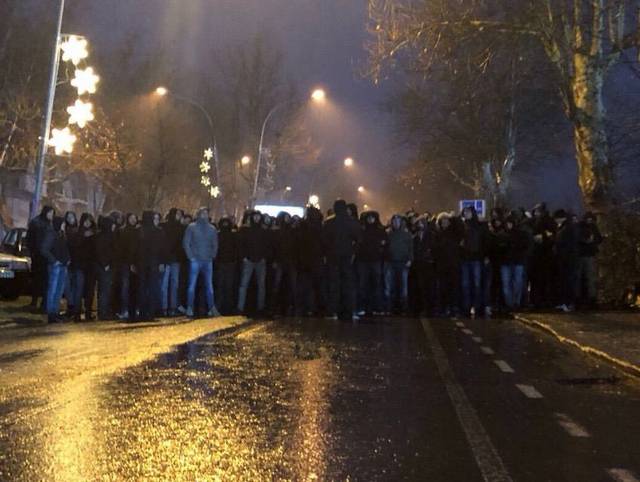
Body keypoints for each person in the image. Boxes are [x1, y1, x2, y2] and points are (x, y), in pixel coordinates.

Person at [322, 199, 361, 321]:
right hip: (347, 256)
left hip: (333, 256)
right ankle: (349, 310)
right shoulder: (351, 222)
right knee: (348, 284)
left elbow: (324, 241)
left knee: (334, 284)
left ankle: (333, 310)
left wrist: (326, 253)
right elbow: (359, 239)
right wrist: (353, 252)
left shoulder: (329, 223)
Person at [183, 207, 221, 318]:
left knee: (209, 285)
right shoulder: (192, 227)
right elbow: (186, 243)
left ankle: (211, 307)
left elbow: (215, 244)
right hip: (196, 260)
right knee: (192, 285)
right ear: (199, 214)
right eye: (203, 213)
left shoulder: (212, 228)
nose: (204, 215)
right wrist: (191, 257)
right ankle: (190, 307)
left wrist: (212, 255)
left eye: (206, 213)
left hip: (207, 260)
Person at [237, 210, 269, 315]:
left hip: (259, 260)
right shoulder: (246, 230)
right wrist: (244, 257)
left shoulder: (263, 231)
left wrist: (264, 257)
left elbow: (267, 245)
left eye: (258, 217)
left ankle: (260, 307)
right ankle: (240, 307)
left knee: (261, 285)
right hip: (249, 260)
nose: (256, 218)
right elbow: (242, 244)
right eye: (255, 217)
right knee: (244, 285)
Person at [40, 216, 70, 323]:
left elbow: (64, 249)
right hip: (55, 265)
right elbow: (44, 249)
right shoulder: (51, 234)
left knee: (59, 290)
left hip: (62, 265)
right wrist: (54, 261)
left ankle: (55, 312)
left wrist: (67, 259)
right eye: (62, 223)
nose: (64, 225)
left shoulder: (61, 234)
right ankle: (51, 314)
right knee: (53, 289)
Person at [137, 211, 166, 320]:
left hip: (142, 263)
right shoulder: (158, 232)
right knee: (153, 287)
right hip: (154, 262)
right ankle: (151, 312)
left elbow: (137, 249)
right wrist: (162, 262)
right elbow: (162, 248)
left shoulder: (140, 231)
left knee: (142, 288)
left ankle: (142, 312)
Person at [296, 206, 325, 316]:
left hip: (304, 260)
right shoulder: (320, 227)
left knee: (304, 285)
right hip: (316, 260)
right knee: (317, 286)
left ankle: (304, 307)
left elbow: (298, 243)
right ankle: (317, 308)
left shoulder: (303, 226)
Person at [497, 215, 529, 311]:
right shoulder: (502, 234)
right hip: (507, 261)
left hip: (516, 261)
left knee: (516, 283)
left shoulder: (520, 234)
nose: (508, 225)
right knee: (508, 284)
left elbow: (525, 247)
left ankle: (514, 303)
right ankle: (511, 304)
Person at [357, 211, 386, 316]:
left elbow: (384, 243)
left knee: (375, 285)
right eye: (369, 218)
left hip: (375, 260)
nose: (370, 220)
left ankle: (376, 307)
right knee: (364, 285)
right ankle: (365, 307)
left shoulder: (379, 230)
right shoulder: (363, 230)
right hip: (365, 261)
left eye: (372, 218)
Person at [459, 206, 486, 317]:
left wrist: (483, 255)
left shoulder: (478, 226)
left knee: (476, 284)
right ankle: (467, 306)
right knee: (466, 284)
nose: (466, 214)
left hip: (476, 258)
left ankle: (477, 306)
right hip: (465, 258)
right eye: (465, 212)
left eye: (468, 212)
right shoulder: (462, 226)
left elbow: (483, 241)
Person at [26, 205, 55, 310]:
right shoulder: (37, 223)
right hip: (38, 256)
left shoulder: (48, 224)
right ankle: (35, 301)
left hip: (45, 256)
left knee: (43, 280)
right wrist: (32, 252)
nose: (52, 215)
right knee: (38, 280)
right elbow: (30, 239)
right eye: (50, 213)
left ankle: (42, 302)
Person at [385, 214, 414, 314]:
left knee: (403, 287)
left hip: (403, 263)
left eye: (398, 221)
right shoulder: (389, 234)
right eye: (394, 221)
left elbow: (411, 248)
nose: (396, 223)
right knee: (391, 286)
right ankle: (391, 308)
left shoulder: (406, 234)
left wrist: (410, 259)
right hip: (391, 262)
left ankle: (403, 308)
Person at [434, 212, 460, 318]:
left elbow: (460, 228)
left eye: (446, 221)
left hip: (452, 264)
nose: (444, 223)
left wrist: (453, 217)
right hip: (442, 264)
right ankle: (443, 307)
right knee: (442, 287)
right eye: (442, 221)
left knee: (453, 287)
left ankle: (452, 307)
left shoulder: (454, 232)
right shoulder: (438, 234)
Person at [271, 212, 298, 316]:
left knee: (289, 285)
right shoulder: (284, 231)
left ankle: (287, 307)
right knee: (281, 285)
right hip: (283, 261)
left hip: (288, 261)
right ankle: (280, 307)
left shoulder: (287, 231)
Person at [553, 209, 579, 312]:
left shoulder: (567, 228)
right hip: (565, 259)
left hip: (568, 259)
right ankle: (564, 302)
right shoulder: (566, 227)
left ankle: (569, 303)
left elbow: (567, 244)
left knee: (568, 281)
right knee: (564, 281)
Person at [161, 208, 185, 316]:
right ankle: (167, 307)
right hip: (170, 258)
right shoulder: (175, 227)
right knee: (168, 284)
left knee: (171, 284)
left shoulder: (178, 227)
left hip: (173, 259)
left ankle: (169, 307)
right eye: (178, 214)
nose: (179, 216)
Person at [577, 212, 603, 307]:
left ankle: (590, 298)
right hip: (583, 255)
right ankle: (584, 298)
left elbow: (599, 239)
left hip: (587, 255)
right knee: (585, 277)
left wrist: (592, 240)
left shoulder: (591, 227)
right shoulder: (581, 227)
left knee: (589, 278)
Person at [74, 213, 97, 321]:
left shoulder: (94, 234)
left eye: (89, 221)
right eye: (86, 221)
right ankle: (77, 313)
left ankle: (88, 312)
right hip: (81, 266)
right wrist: (83, 236)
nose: (88, 223)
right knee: (79, 290)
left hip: (91, 266)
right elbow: (76, 248)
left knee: (89, 290)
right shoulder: (78, 233)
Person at [116, 213, 139, 320]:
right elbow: (121, 249)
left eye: (135, 218)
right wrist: (129, 263)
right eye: (131, 218)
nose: (133, 220)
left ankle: (134, 309)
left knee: (135, 287)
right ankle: (124, 309)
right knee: (125, 287)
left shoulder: (138, 231)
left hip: (136, 262)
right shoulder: (123, 231)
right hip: (125, 263)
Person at [412, 215, 437, 317]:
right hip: (419, 264)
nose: (420, 225)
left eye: (421, 223)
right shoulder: (415, 237)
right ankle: (422, 307)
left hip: (428, 264)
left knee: (429, 287)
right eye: (418, 224)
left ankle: (430, 308)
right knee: (420, 286)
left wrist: (430, 255)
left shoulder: (431, 235)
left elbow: (434, 248)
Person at [214, 217, 239, 315]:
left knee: (228, 286)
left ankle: (227, 307)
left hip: (229, 263)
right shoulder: (218, 235)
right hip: (222, 263)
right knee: (222, 285)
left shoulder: (232, 235)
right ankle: (221, 306)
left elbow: (236, 248)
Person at [94, 216, 116, 320]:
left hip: (106, 265)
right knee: (104, 290)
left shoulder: (105, 236)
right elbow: (100, 252)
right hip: (105, 266)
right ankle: (103, 312)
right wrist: (105, 264)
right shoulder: (104, 237)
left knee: (105, 290)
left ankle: (104, 311)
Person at [62, 211, 79, 316]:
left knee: (74, 285)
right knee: (67, 285)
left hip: (76, 261)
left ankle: (74, 307)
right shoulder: (64, 231)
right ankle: (71, 306)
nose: (70, 219)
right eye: (68, 217)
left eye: (72, 216)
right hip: (67, 261)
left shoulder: (77, 231)